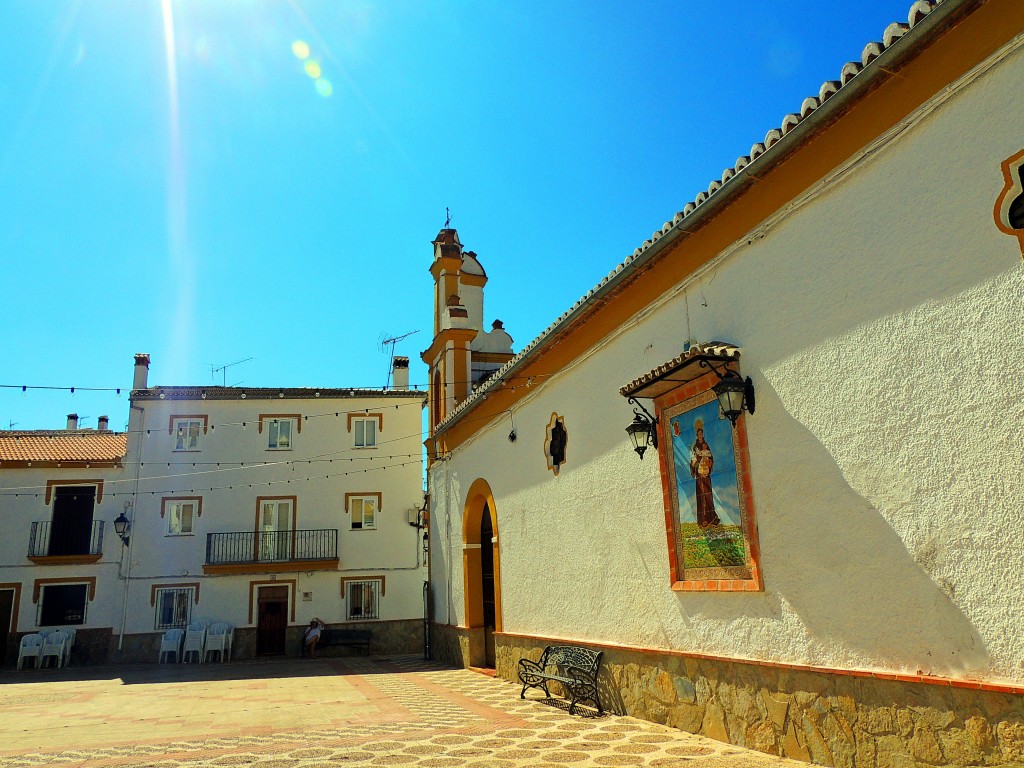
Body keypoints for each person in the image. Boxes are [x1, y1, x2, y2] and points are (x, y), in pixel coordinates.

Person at [689, 419, 721, 528]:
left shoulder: (706, 445)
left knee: (708, 494)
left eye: (701, 434)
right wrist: (695, 462)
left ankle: (711, 517)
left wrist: (708, 461)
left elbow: (711, 458)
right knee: (701, 496)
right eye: (698, 434)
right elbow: (693, 460)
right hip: (699, 475)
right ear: (697, 435)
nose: (700, 436)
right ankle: (703, 520)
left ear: (703, 434)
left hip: (706, 475)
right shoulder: (695, 447)